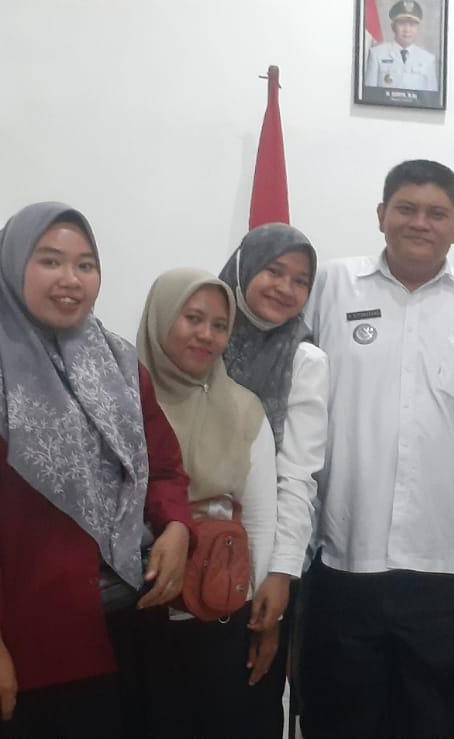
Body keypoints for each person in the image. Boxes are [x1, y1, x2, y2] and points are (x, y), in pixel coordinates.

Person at [0, 202, 191, 736]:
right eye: (50, 261)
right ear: (12, 267)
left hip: (138, 624)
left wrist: (177, 525)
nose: (71, 279)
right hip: (37, 644)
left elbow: (165, 467)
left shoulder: (119, 364)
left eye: (86, 265)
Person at [299, 160, 454, 738]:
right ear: (381, 215)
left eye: (437, 213)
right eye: (407, 209)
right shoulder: (332, 286)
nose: (421, 223)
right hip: (346, 549)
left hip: (446, 556)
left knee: (435, 717)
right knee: (341, 717)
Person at [133, 268, 288, 737]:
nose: (206, 335)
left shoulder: (243, 408)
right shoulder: (119, 402)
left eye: (219, 326)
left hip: (220, 614)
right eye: (193, 318)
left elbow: (260, 521)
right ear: (161, 319)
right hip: (134, 617)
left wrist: (259, 619)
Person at [216, 223, 328, 737]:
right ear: (244, 269)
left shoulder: (305, 359)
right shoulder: (202, 335)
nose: (285, 288)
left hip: (262, 560)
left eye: (300, 281)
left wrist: (280, 575)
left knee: (248, 702)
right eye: (274, 271)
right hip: (188, 553)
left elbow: (299, 476)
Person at [364, 0, 439, 92]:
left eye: (412, 25)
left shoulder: (428, 60)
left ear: (417, 28)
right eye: (402, 24)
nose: (407, 30)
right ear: (393, 27)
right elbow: (370, 93)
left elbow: (431, 97)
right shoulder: (377, 54)